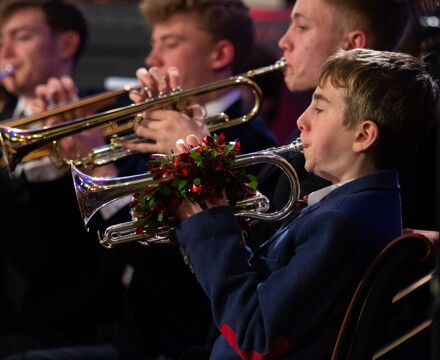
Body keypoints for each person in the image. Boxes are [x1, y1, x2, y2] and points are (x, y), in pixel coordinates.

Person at [2, 1, 278, 360]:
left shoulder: (253, 145)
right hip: (118, 323)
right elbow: (73, 248)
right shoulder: (148, 127)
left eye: (170, 43)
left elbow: (173, 267)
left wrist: (106, 169)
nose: (152, 58)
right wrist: (71, 159)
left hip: (174, 342)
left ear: (219, 54)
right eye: (154, 43)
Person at [169, 48, 440, 359]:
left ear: (364, 135)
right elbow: (260, 286)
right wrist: (200, 218)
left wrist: (210, 227)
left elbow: (257, 338)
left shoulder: (341, 223)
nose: (301, 120)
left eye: (320, 109)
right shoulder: (350, 206)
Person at [0, 0, 144, 357]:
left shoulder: (106, 122)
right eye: (1, 39)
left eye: (21, 37)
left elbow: (60, 255)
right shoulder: (3, 116)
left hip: (62, 326)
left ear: (66, 44)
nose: (5, 52)